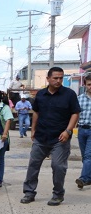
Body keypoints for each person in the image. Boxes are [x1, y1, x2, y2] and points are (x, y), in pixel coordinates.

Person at [21, 67, 80, 206]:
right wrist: (33, 129)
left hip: (60, 139)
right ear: (48, 79)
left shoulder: (69, 94)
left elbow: (75, 113)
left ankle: (58, 194)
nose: (58, 81)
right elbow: (36, 112)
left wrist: (68, 131)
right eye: (55, 78)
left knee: (58, 166)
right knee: (33, 166)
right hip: (41, 137)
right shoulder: (41, 94)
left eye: (61, 78)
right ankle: (29, 193)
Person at [76, 75, 91, 189]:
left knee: (88, 155)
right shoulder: (79, 98)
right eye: (89, 84)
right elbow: (75, 115)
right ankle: (89, 177)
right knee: (84, 156)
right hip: (81, 130)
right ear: (85, 85)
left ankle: (83, 178)